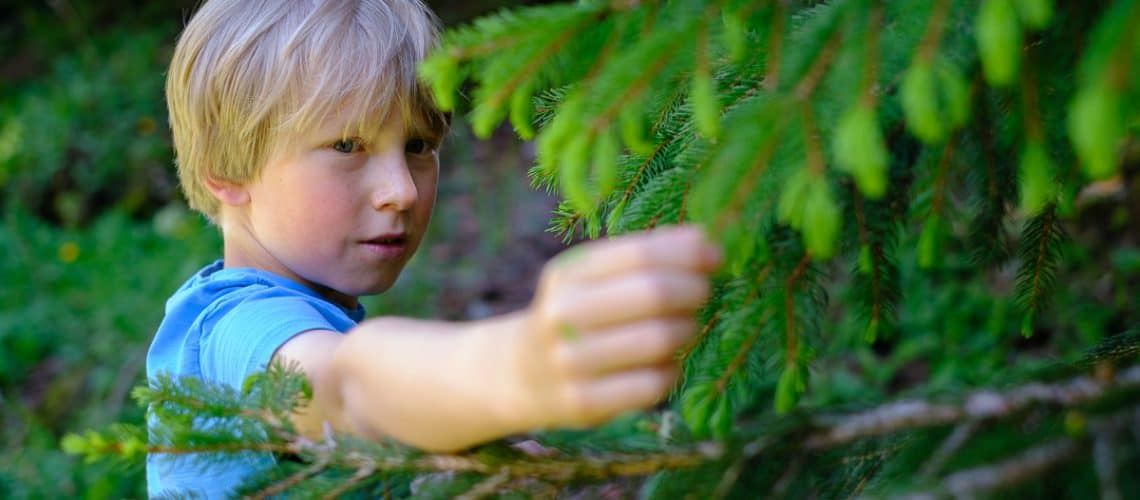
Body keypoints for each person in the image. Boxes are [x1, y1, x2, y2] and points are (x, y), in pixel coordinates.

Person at [146, 0, 721, 496]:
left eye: (419, 145)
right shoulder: (232, 328)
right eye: (348, 146)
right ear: (227, 170)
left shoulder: (308, 315)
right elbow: (346, 388)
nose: (401, 190)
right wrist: (516, 366)